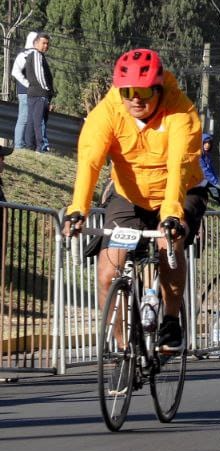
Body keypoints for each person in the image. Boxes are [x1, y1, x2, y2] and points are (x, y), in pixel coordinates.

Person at [62, 49, 205, 351]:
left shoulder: (181, 111)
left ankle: (170, 318)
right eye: (127, 92)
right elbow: (89, 160)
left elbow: (179, 166)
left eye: (143, 92)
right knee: (107, 272)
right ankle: (123, 349)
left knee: (170, 243)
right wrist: (78, 209)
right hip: (130, 194)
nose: (135, 100)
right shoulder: (108, 111)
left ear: (158, 88)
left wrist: (171, 214)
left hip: (179, 190)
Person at [19, 32, 53, 153]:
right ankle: (42, 147)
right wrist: (46, 92)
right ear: (35, 43)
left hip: (34, 94)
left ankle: (30, 147)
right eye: (43, 43)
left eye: (47, 44)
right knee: (39, 121)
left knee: (33, 121)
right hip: (39, 94)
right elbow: (40, 76)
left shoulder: (34, 55)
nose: (46, 46)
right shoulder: (36, 54)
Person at [10, 31, 36, 150]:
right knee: (23, 118)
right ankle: (19, 145)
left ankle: (23, 144)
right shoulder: (26, 54)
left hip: (29, 92)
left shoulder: (33, 54)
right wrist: (28, 84)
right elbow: (15, 72)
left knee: (28, 119)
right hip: (25, 92)